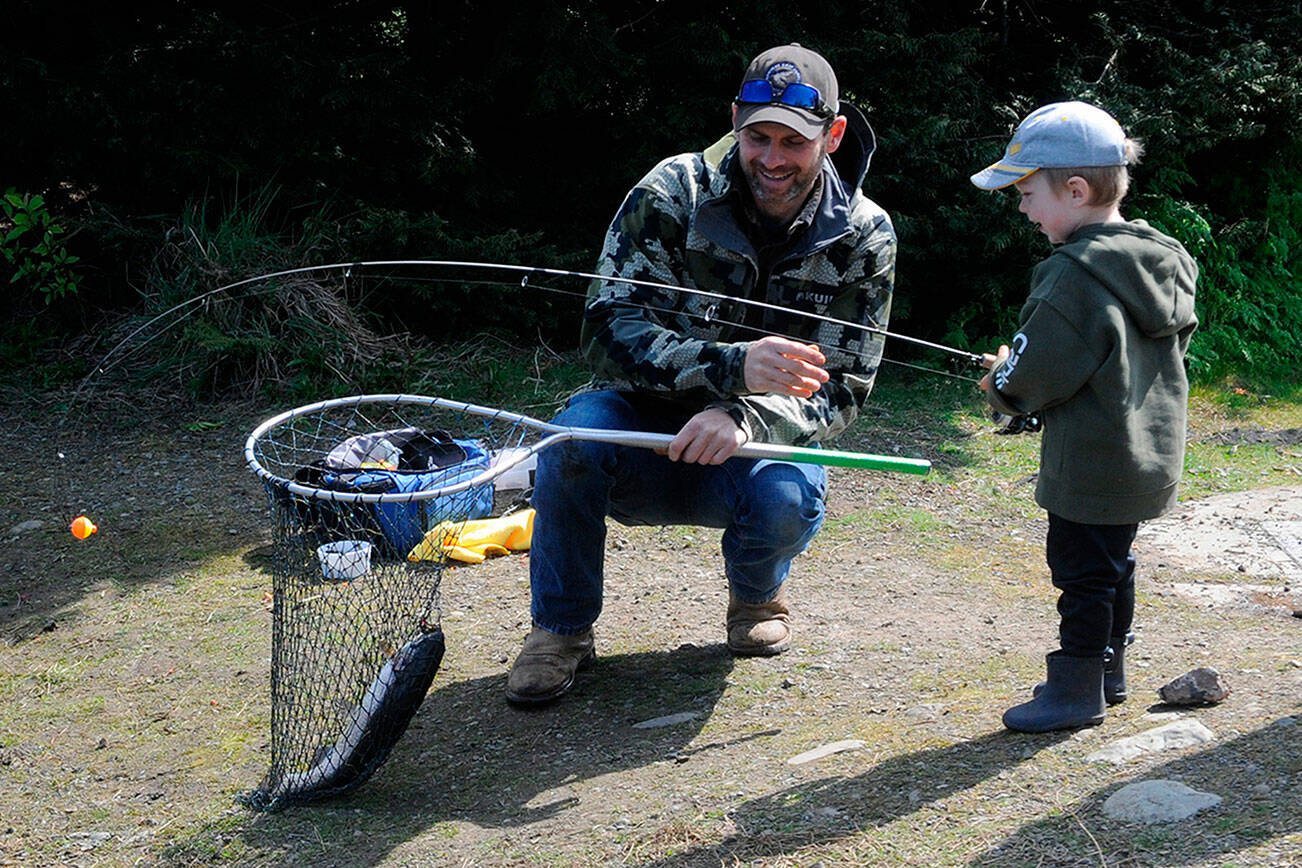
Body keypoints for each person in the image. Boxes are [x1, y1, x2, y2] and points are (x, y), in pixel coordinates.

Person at [505, 43, 897, 705]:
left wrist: (743, 416)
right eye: (758, 137)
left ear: (831, 136)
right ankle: (561, 630)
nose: (772, 159)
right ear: (735, 123)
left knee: (787, 496)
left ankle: (756, 603)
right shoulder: (671, 192)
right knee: (568, 443)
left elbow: (844, 385)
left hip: (756, 441)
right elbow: (605, 330)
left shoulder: (865, 235)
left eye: (793, 143)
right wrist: (731, 367)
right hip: (640, 421)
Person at [972, 101, 1198, 732]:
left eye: (1027, 192)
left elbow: (1033, 374)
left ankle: (1075, 691)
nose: (1021, 207)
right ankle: (1108, 672)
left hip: (1091, 461)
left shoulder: (1071, 276)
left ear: (1074, 190)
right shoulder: (1168, 259)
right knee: (1112, 564)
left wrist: (999, 381)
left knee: (1081, 575)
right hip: (1145, 456)